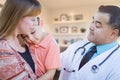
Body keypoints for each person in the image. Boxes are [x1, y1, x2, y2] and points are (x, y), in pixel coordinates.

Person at [59, 5, 120, 80]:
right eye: (92, 21)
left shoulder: (117, 64)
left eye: (97, 24)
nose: (91, 27)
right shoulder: (77, 46)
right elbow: (53, 62)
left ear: (113, 34)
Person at [0, 0, 41, 79]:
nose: (36, 23)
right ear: (17, 17)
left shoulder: (23, 40)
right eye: (33, 19)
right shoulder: (3, 49)